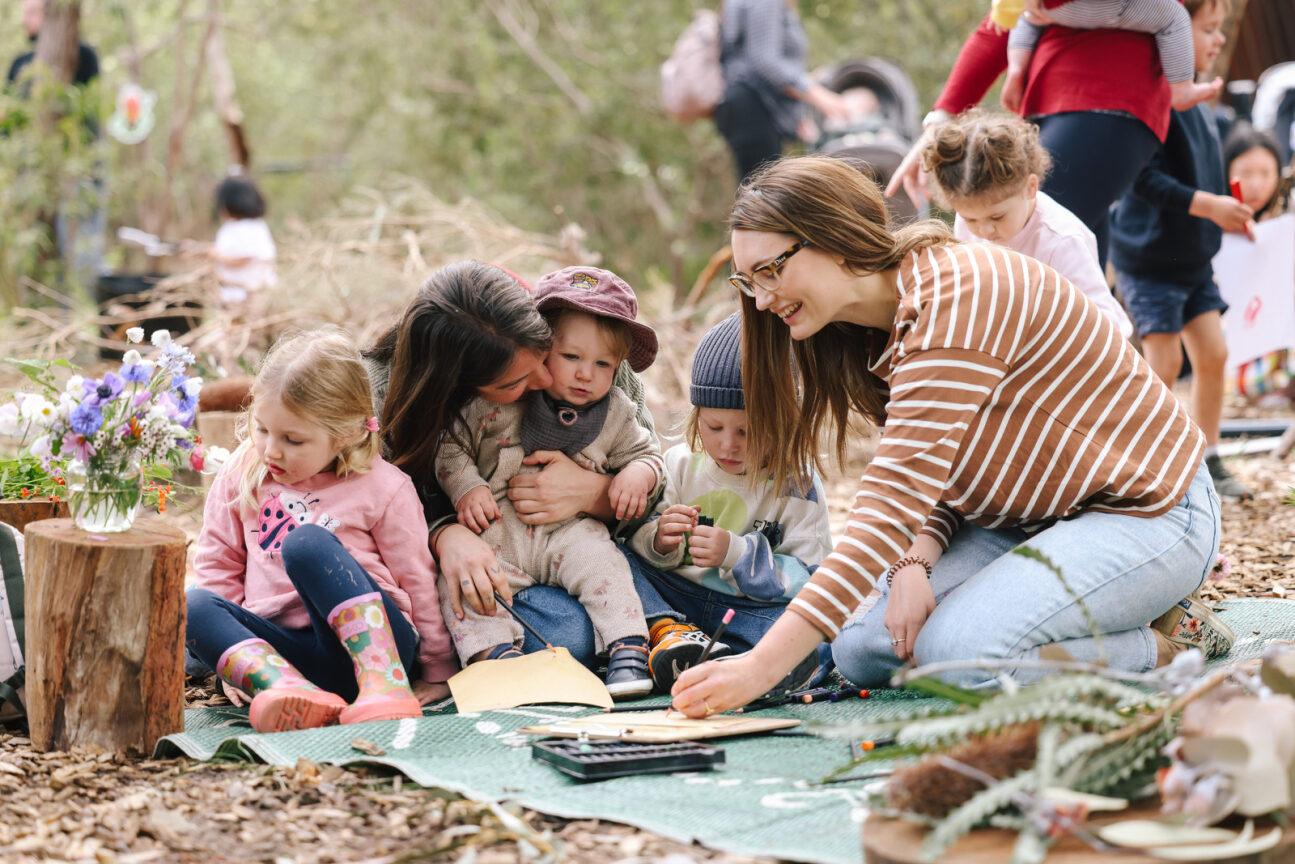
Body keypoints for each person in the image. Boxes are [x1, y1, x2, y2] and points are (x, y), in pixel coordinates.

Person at [670, 155, 1230, 718]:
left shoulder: (957, 298)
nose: (762, 299)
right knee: (862, 647)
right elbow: (939, 469)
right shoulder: (864, 333)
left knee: (959, 657)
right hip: (1025, 520)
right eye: (750, 281)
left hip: (1146, 512)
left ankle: (1158, 642)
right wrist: (915, 561)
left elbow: (890, 502)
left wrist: (758, 668)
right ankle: (1073, 613)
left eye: (772, 270)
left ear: (835, 237)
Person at [364, 261, 689, 670]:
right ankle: (497, 656)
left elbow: (646, 477)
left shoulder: (593, 359)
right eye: (512, 383)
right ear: (460, 390)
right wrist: (444, 534)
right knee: (566, 633)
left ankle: (653, 627)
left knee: (593, 593)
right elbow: (370, 512)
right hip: (483, 551)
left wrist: (595, 492)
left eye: (542, 354)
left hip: (571, 543)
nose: (543, 379)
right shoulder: (384, 402)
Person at [186, 330, 455, 733]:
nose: (271, 450)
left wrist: (436, 668)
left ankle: (385, 687)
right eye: (262, 430)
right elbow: (218, 563)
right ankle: (288, 691)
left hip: (372, 651)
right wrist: (231, 663)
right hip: (286, 655)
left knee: (307, 544)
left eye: (293, 440)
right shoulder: (244, 470)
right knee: (192, 605)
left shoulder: (385, 487)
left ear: (345, 434)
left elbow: (416, 578)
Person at [434, 267, 663, 698]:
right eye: (571, 358)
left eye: (602, 365)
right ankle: (497, 656)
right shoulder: (494, 401)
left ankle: (628, 648)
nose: (585, 375)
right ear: (541, 348)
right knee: (463, 585)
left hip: (570, 531)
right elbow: (449, 447)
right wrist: (468, 486)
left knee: (604, 564)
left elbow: (647, 455)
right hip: (497, 531)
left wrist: (637, 474)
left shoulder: (614, 411)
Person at [887, 1, 1188, 268]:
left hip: (1109, 98)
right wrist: (941, 120)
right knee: (1073, 273)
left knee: (1020, 254)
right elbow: (1001, 20)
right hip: (1048, 104)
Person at [628, 313, 833, 692]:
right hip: (674, 600)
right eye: (714, 427)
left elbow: (810, 578)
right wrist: (659, 539)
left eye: (747, 431)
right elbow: (637, 535)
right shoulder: (681, 465)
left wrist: (737, 555)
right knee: (616, 558)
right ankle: (671, 636)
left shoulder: (796, 485)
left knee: (813, 641)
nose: (727, 445)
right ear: (696, 417)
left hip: (745, 610)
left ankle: (724, 659)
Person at [1110, 0, 1253, 500]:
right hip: (1149, 261)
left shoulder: (1203, 102)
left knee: (1214, 354)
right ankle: (1154, 465)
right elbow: (1141, 179)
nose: (1217, 41)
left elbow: (1206, 176)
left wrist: (1226, 211)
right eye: (1208, 29)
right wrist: (1208, 205)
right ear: (1170, 32)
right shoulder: (1152, 97)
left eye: (1218, 30)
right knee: (1163, 364)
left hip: (1192, 259)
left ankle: (1208, 458)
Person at [920, 109, 1133, 338]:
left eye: (997, 217)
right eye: (970, 219)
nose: (984, 231)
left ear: (1030, 187)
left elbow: (1107, 323)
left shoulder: (1061, 241)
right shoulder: (969, 221)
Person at [997, 0, 1221, 114]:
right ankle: (1182, 89)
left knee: (1028, 17)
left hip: (1039, 7)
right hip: (1097, 6)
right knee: (1173, 15)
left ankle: (1016, 67)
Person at [714, 0, 848, 182]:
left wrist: (796, 115)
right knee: (760, 197)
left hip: (750, 109)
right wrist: (817, 95)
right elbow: (765, 62)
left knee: (756, 192)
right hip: (753, 109)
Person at [1223, 126, 1295, 402]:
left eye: (1265, 173)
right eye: (1246, 173)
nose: (1256, 184)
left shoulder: (1285, 216)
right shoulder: (1212, 218)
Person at [209, 175, 277, 306]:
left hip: (249, 294)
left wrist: (215, 255)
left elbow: (243, 258)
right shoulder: (231, 227)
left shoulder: (250, 227)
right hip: (231, 293)